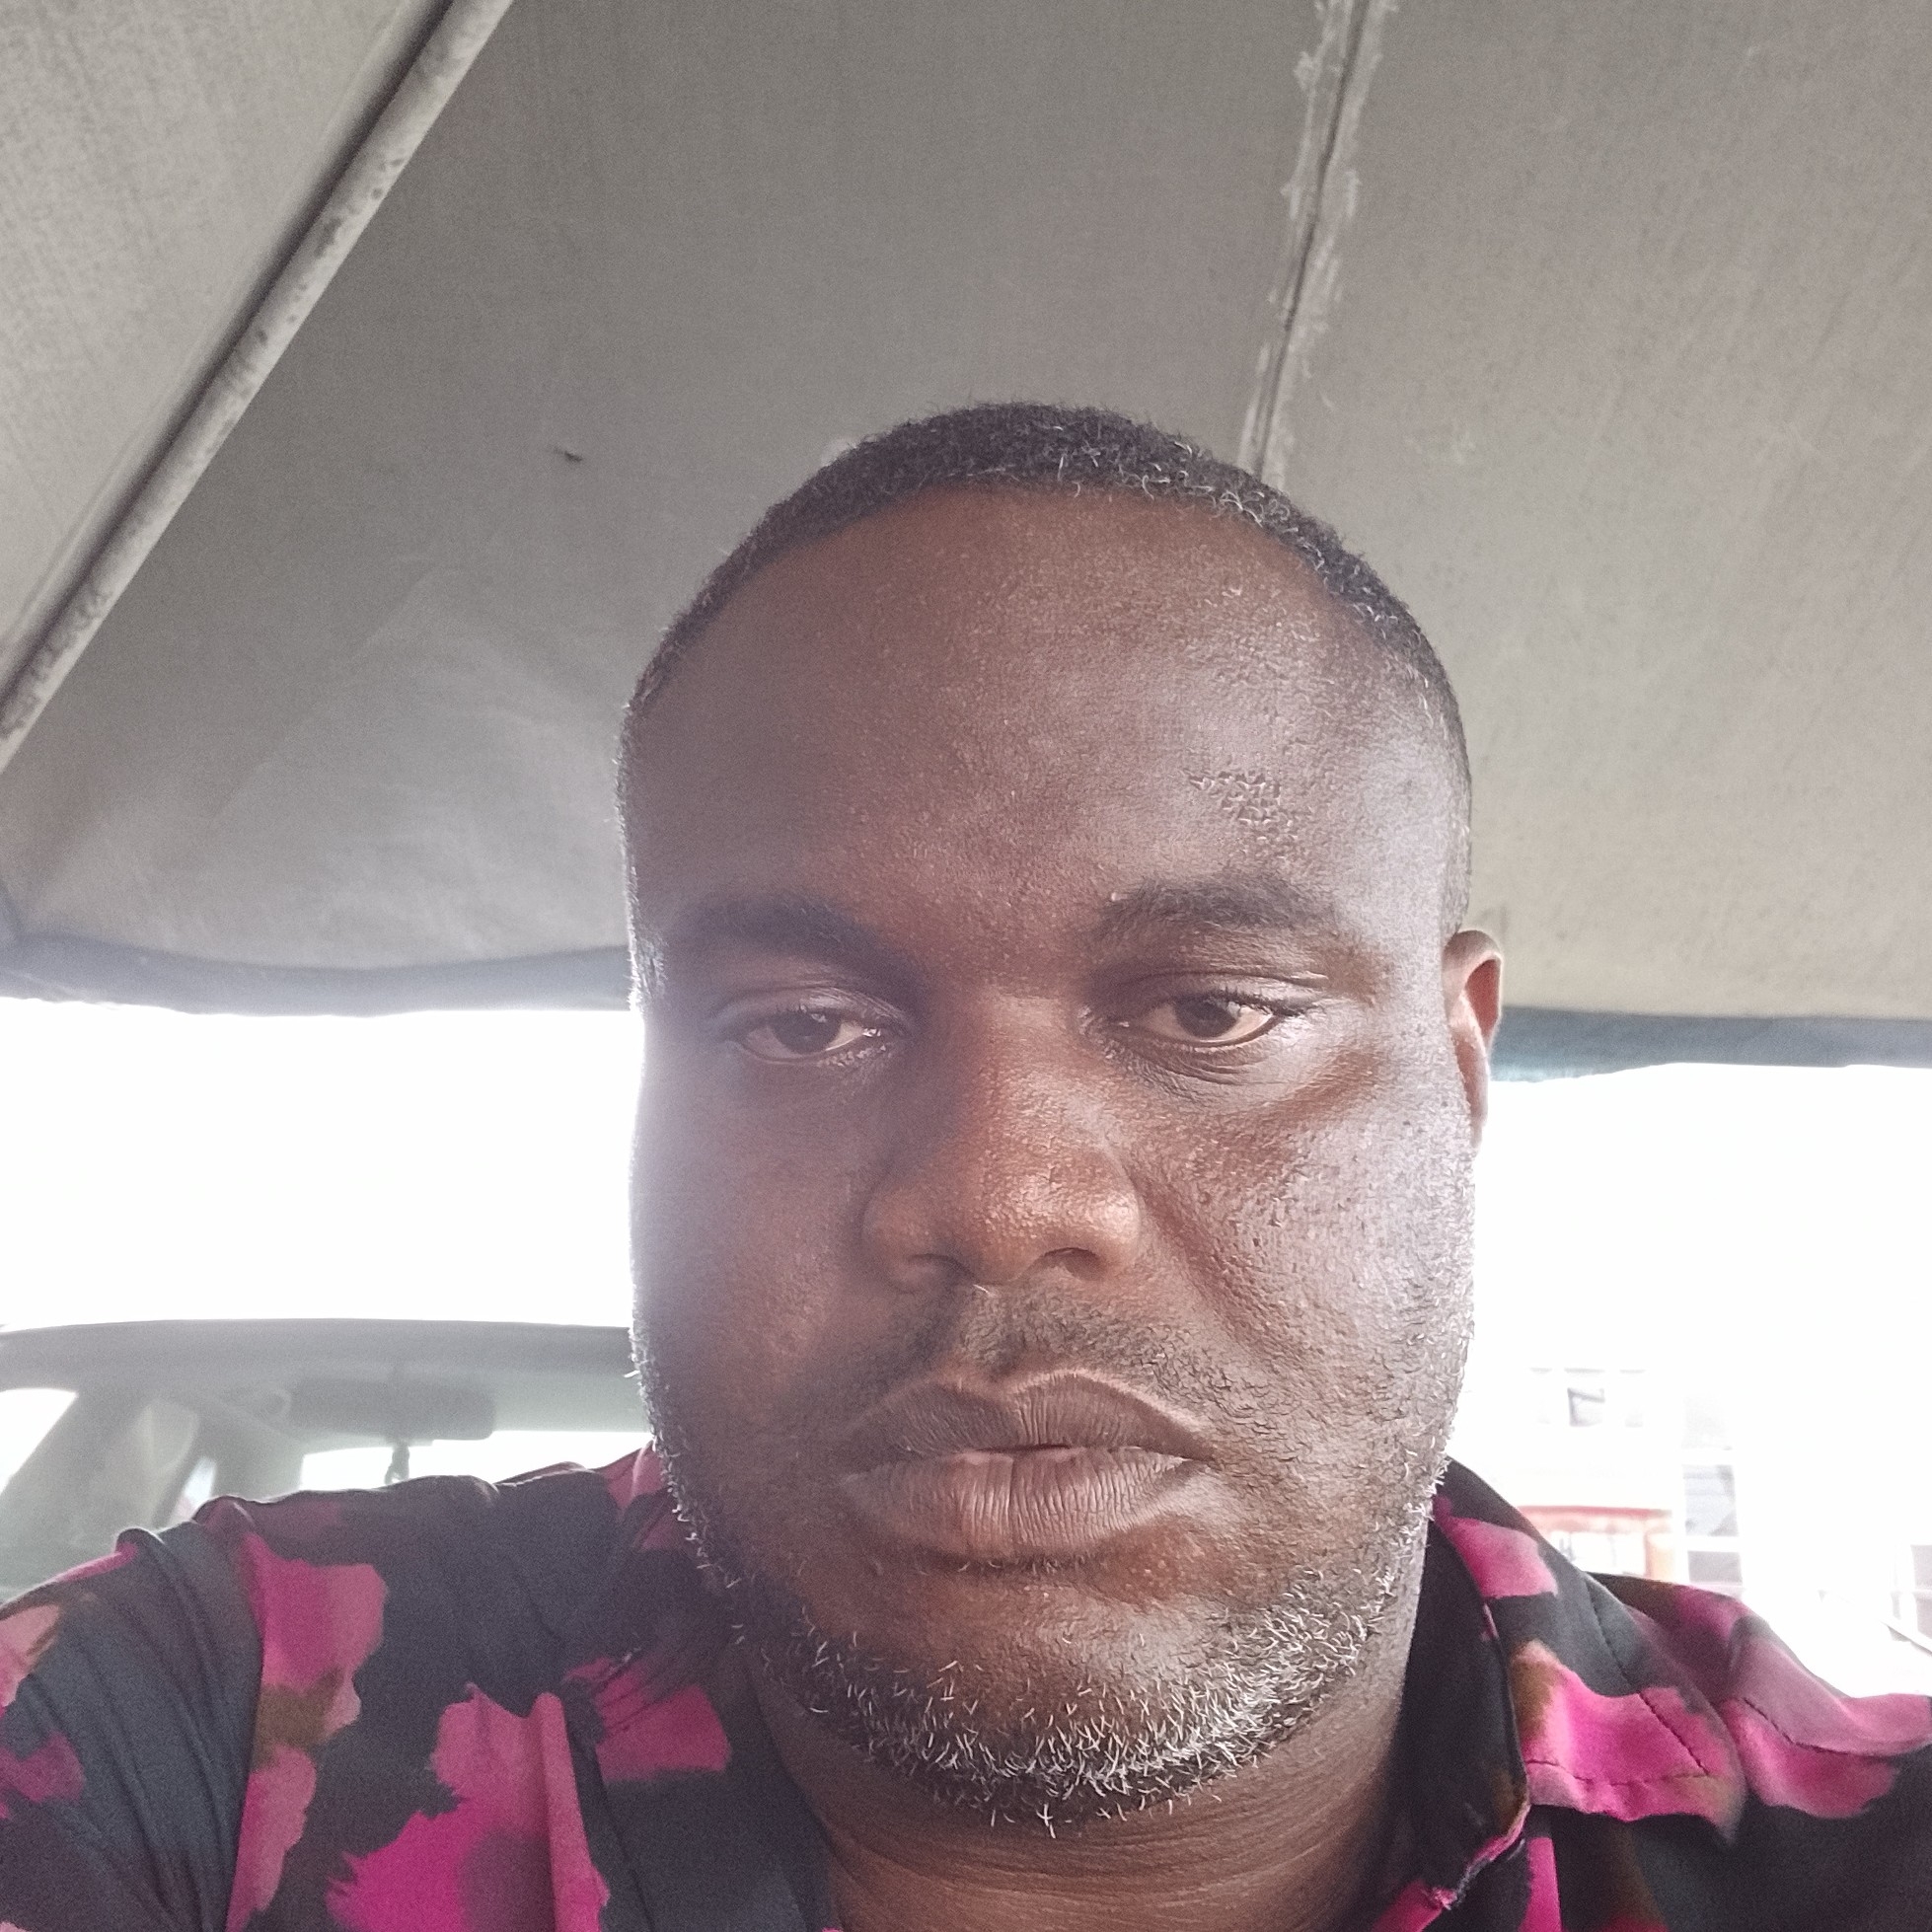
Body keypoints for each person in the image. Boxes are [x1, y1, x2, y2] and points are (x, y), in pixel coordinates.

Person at [1, 404, 1928, 1932]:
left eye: (1209, 1012)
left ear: (1457, 1062)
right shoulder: (206, 1734)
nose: (999, 1202)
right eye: (798, 1026)